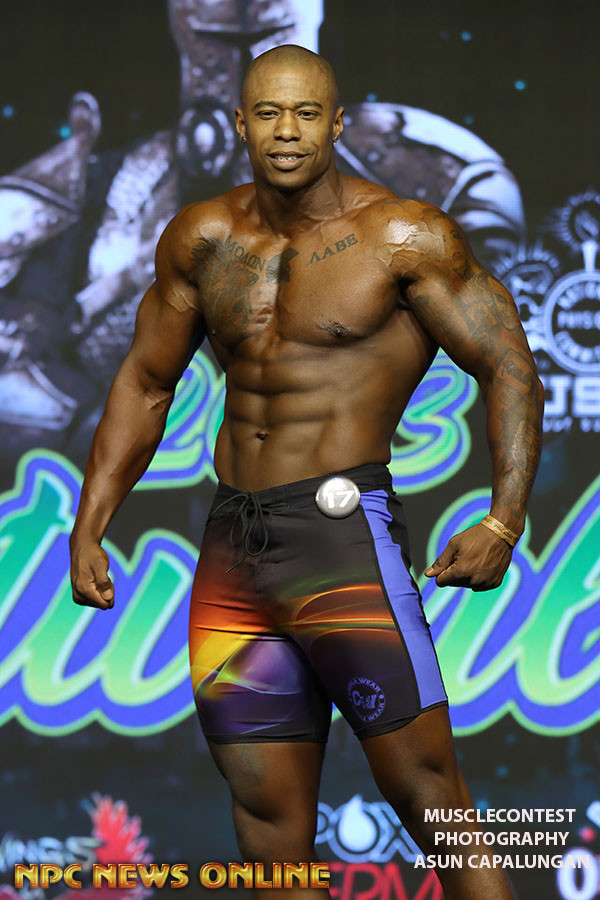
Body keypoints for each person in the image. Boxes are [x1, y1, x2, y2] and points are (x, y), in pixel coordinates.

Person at [70, 45, 543, 899]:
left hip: (342, 544)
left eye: (306, 113)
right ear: (240, 123)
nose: (287, 132)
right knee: (267, 830)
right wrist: (89, 524)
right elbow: (145, 383)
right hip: (234, 551)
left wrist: (504, 520)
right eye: (269, 113)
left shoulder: (403, 236)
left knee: (431, 799)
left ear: (335, 121)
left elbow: (508, 363)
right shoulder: (203, 237)